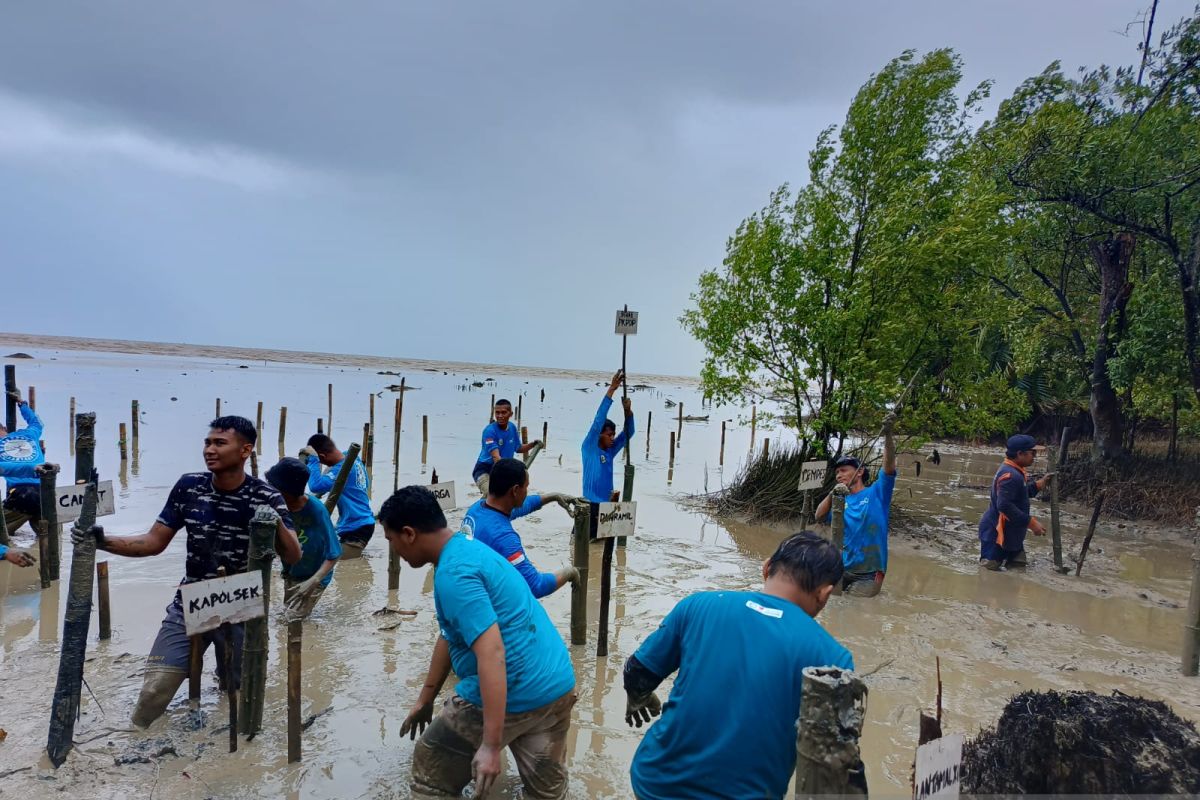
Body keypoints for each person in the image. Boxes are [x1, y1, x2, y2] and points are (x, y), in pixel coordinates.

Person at [77, 416, 301, 728]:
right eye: (208, 442)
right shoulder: (189, 486)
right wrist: (102, 541)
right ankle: (138, 743)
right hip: (192, 599)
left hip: (240, 603)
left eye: (220, 443)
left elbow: (292, 556)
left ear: (245, 450)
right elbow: (153, 542)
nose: (210, 449)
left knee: (236, 694)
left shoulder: (266, 496)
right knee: (154, 691)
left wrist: (274, 521)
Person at [623, 531, 856, 800]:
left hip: (656, 781)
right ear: (825, 594)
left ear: (767, 567)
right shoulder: (834, 658)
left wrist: (638, 698)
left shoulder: (697, 606)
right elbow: (830, 761)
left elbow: (637, 671)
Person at [382, 486, 577, 799]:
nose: (394, 551)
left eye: (390, 540)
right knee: (546, 793)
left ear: (408, 534)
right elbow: (451, 634)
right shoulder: (470, 548)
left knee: (429, 772)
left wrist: (490, 744)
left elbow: (492, 653)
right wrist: (426, 698)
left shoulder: (454, 574)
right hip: (556, 684)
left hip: (516, 685)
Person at [458, 458, 578, 599]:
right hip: (487, 606)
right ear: (515, 490)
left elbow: (523, 506)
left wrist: (552, 497)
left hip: (466, 590)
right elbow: (535, 586)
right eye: (526, 487)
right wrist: (570, 572)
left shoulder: (477, 509)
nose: (527, 492)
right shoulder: (504, 538)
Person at [814, 412, 897, 597]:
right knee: (830, 605)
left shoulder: (877, 492)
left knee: (853, 607)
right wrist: (832, 492)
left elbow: (889, 466)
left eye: (843, 471)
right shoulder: (840, 500)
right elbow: (818, 515)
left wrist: (888, 435)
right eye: (836, 473)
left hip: (869, 572)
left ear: (859, 473)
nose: (839, 475)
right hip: (842, 568)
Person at [265, 457, 342, 619]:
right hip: (292, 572)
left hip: (315, 574)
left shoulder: (316, 511)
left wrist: (314, 581)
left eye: (273, 488)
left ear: (286, 493)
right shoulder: (275, 508)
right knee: (286, 614)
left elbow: (334, 553)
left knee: (292, 619)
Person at [977, 434, 1051, 570]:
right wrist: (1031, 523)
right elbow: (1004, 505)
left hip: (1012, 533)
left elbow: (1020, 494)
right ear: (1020, 454)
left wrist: (1039, 485)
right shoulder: (1010, 475)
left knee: (1018, 567)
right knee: (989, 572)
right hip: (997, 534)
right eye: (1032, 453)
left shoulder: (1015, 471)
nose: (1035, 457)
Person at [301, 434, 375, 559]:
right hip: (360, 522)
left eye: (321, 462)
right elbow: (366, 483)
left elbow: (315, 486)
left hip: (357, 528)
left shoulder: (342, 470)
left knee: (332, 561)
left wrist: (313, 461)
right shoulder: (351, 458)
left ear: (323, 457)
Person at [582, 370, 634, 504]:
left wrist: (627, 411)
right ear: (600, 434)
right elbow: (599, 420)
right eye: (609, 435)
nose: (612, 438)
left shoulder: (610, 451)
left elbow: (629, 432)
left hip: (607, 506)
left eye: (613, 435)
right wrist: (612, 389)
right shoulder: (589, 447)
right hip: (589, 504)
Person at [471, 398, 541, 496]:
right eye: (497, 413)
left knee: (511, 496)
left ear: (511, 414)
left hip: (504, 469)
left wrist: (533, 445)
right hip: (485, 470)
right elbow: (496, 458)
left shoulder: (512, 428)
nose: (500, 416)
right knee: (490, 494)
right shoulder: (489, 431)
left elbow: (518, 448)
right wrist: (515, 468)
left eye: (503, 413)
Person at [1, 388, 45, 536]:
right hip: (45, 494)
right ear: (5, 429)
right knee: (50, 540)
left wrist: (30, 468)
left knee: (4, 534)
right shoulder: (29, 434)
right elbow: (37, 422)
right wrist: (22, 403)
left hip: (21, 496)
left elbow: (3, 468)